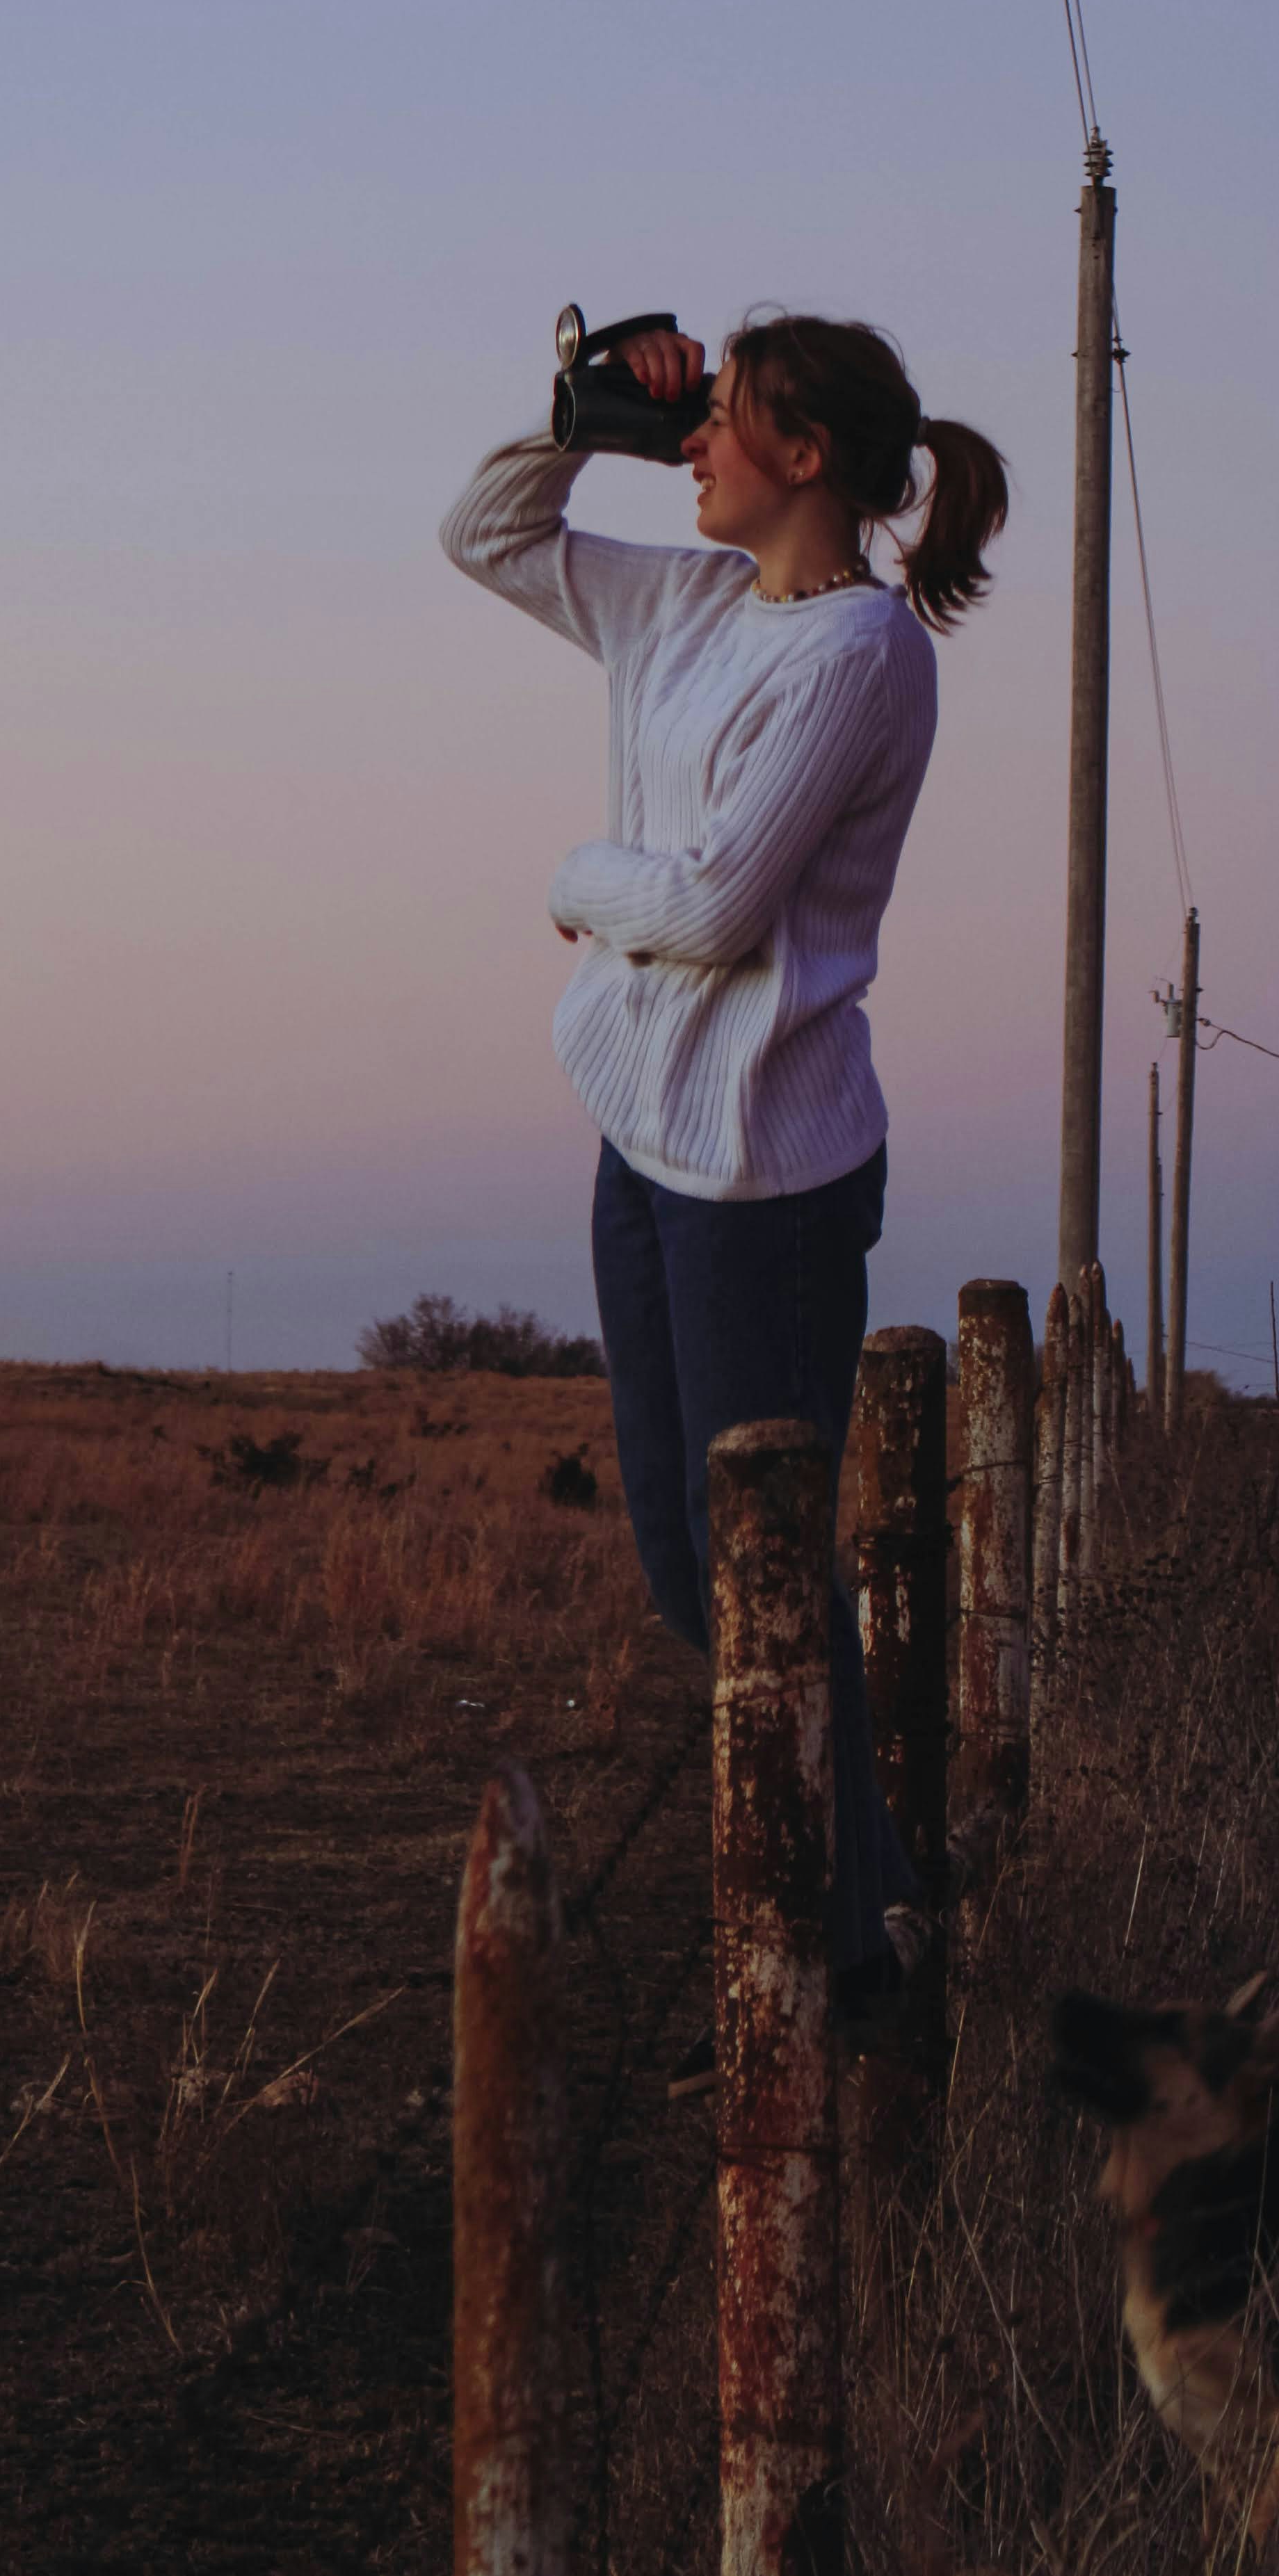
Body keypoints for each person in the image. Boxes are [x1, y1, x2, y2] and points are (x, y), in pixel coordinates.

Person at [440, 310, 1008, 2089]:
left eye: (721, 423)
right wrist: (588, 414)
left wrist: (571, 876)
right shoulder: (679, 604)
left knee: (760, 1567)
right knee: (694, 1567)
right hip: (642, 1135)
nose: (694, 448)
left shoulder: (862, 657)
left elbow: (705, 907)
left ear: (806, 456)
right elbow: (483, 536)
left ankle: (836, 1966)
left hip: (767, 1175)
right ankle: (871, 1905)